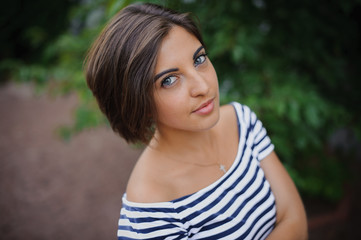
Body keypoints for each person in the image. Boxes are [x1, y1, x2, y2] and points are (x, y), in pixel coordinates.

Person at [85, 2, 308, 239]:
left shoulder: (241, 122)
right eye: (169, 80)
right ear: (138, 102)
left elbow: (295, 220)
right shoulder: (150, 209)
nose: (203, 86)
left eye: (199, 59)